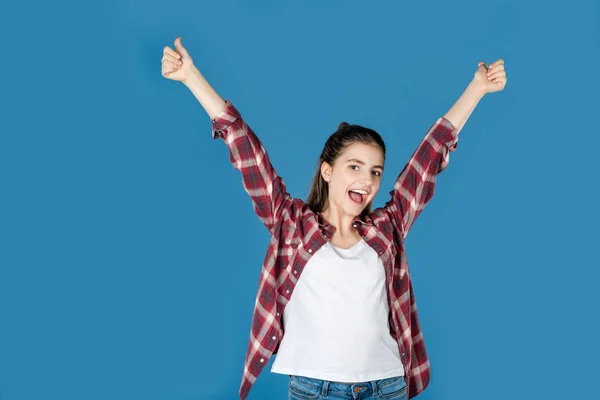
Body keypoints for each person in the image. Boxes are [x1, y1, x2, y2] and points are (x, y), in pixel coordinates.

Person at [161, 36, 507, 400]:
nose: (366, 179)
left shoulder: (387, 228)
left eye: (375, 171)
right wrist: (190, 76)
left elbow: (430, 156)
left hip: (386, 386)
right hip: (314, 388)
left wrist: (478, 87)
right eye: (354, 166)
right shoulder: (290, 223)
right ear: (327, 171)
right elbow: (244, 146)